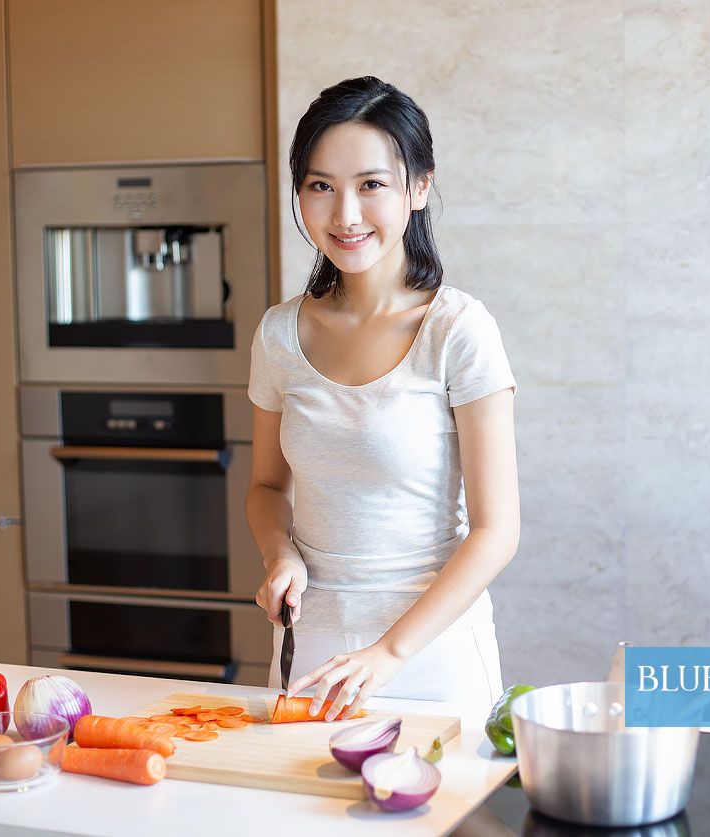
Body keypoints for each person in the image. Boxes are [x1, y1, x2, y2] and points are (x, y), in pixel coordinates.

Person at [245, 76, 520, 722]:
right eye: (321, 186)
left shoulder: (458, 329)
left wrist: (389, 651)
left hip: (430, 655)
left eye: (371, 184)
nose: (344, 214)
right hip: (308, 650)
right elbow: (264, 487)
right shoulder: (278, 334)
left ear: (418, 186)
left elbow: (495, 530)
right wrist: (277, 550)